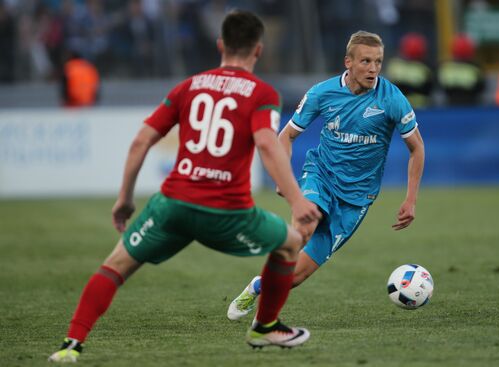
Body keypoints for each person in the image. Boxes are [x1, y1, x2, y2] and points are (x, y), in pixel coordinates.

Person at [48, 10, 321, 362]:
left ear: (220, 45)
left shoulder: (189, 86)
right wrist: (298, 200)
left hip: (172, 205)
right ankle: (265, 326)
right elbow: (268, 144)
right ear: (258, 50)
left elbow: (140, 142)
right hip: (227, 213)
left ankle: (71, 345)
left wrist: (124, 199)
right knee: (289, 244)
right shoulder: (262, 93)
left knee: (114, 267)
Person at [227, 31, 425, 321]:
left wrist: (411, 200)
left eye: (378, 62)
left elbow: (417, 148)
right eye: (366, 61)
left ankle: (258, 285)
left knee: (295, 277)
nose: (373, 69)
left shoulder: (392, 99)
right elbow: (287, 135)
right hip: (320, 175)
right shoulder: (322, 93)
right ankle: (267, 323)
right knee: (305, 227)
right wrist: (287, 183)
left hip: (356, 199)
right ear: (349, 62)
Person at [385, 32, 433, 108]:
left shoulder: (394, 65)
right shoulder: (425, 68)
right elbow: (429, 89)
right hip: (421, 108)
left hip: (398, 108)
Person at [438, 34, 485, 106]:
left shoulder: (445, 68)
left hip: (450, 107)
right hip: (472, 107)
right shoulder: (476, 68)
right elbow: (481, 88)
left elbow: (441, 88)